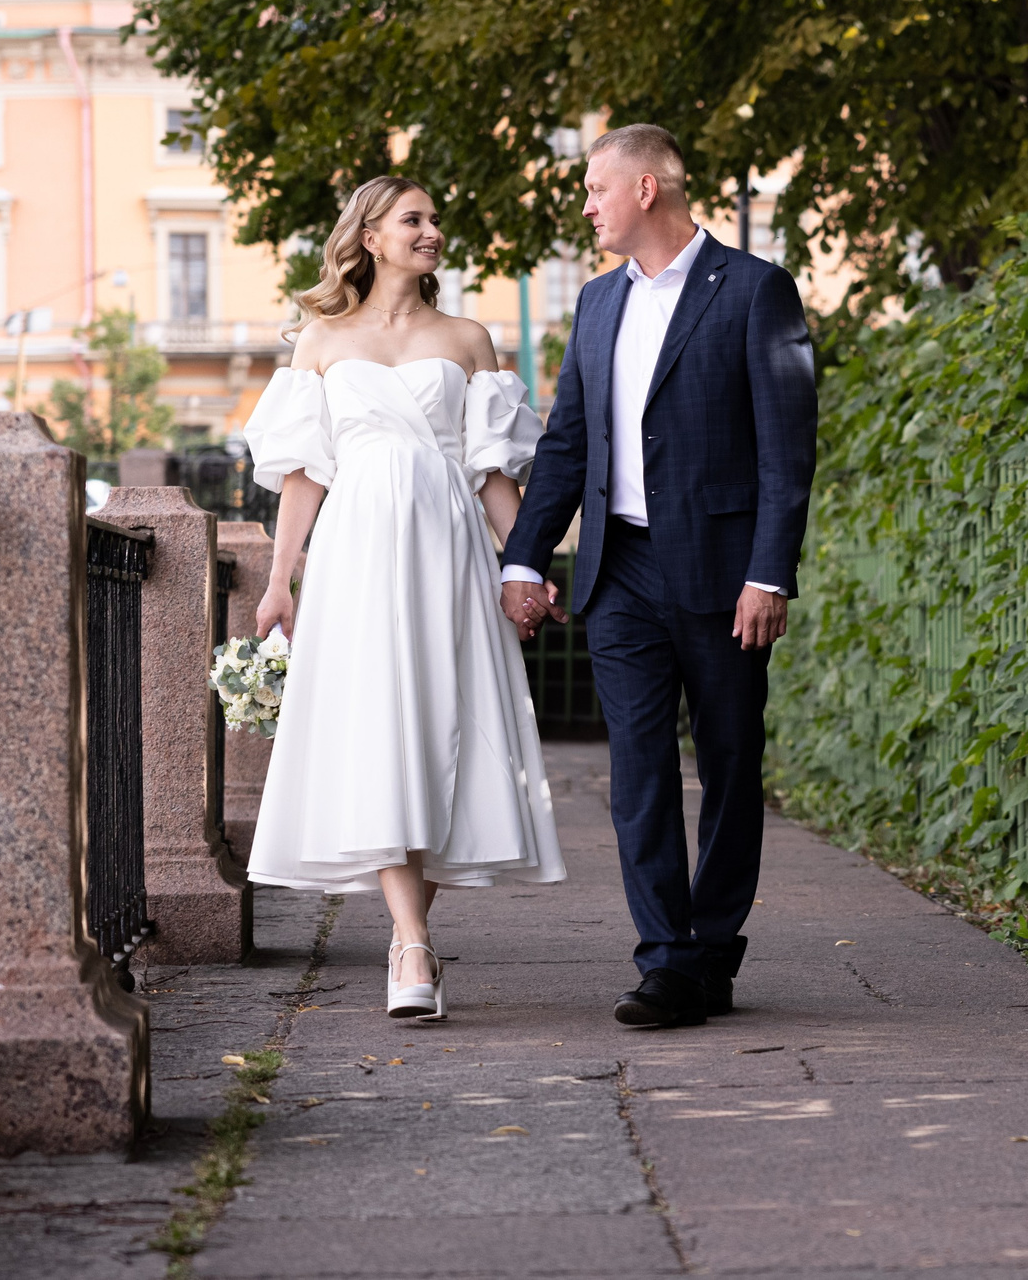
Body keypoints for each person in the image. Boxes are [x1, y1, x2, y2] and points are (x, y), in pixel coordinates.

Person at [501, 124, 817, 1028]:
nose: (588, 207)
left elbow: (785, 453)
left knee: (728, 764)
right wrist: (524, 555)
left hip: (723, 574)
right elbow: (567, 445)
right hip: (621, 572)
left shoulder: (757, 291)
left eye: (596, 190)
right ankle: (666, 960)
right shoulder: (598, 305)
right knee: (636, 772)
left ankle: (712, 949)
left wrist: (770, 575)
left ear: (645, 188)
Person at [243, 175, 567, 1022]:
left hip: (448, 550)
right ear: (372, 235)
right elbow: (306, 474)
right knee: (379, 729)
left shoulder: (467, 338)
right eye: (414, 219)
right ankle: (410, 941)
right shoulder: (320, 340)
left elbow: (493, 473)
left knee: (440, 731)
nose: (431, 231)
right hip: (356, 553)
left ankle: (408, 935)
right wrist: (281, 579)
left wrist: (526, 563)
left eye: (434, 217)